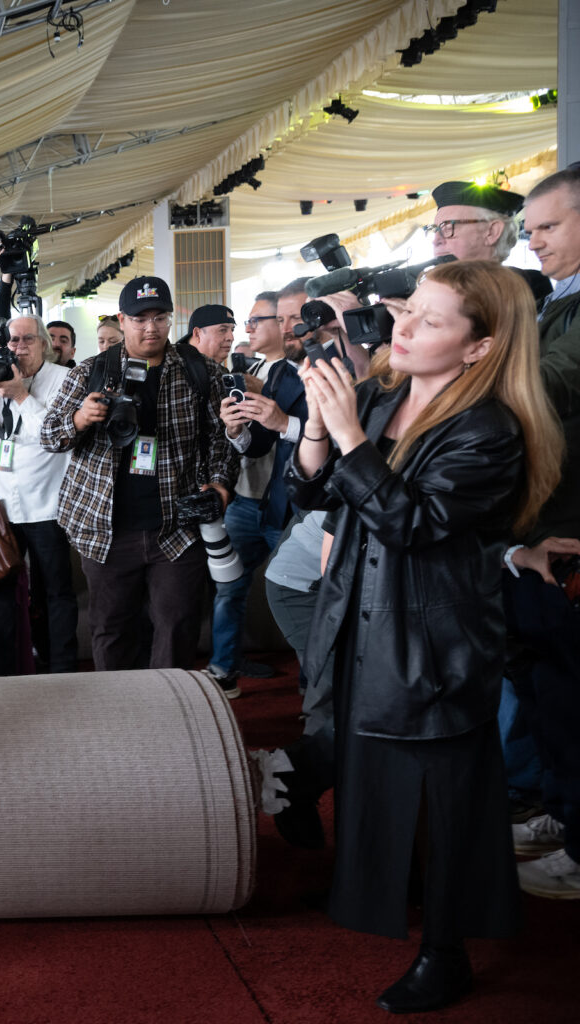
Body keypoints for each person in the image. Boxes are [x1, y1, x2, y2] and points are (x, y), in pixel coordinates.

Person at [288, 260, 562, 1013]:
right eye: (408, 310)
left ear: (480, 347)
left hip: (433, 639)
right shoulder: (383, 397)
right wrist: (318, 425)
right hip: (360, 613)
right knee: (370, 773)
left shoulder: (489, 429)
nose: (402, 327)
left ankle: (447, 950)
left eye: (430, 320)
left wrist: (349, 436)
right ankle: (393, 895)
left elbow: (410, 524)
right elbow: (309, 492)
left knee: (446, 801)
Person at [40, 276, 236, 672]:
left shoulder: (200, 372)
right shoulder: (91, 372)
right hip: (105, 529)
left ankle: (170, 705)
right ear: (122, 320)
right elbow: (48, 437)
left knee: (178, 629)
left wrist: (219, 485)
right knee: (111, 631)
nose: (151, 328)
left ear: (171, 319)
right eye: (139, 319)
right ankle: (119, 707)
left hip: (177, 527)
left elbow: (221, 439)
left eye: (160, 318)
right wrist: (80, 419)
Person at [500, 164, 580, 898]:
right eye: (531, 229)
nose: (535, 241)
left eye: (549, 226)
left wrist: (471, 361)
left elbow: (549, 383)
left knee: (568, 694)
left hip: (568, 529)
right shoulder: (558, 301)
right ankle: (561, 811)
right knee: (546, 691)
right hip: (541, 529)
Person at [207, 294, 308, 696]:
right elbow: (255, 443)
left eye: (256, 320)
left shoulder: (302, 371)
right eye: (245, 323)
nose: (246, 329)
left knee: (300, 593)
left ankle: (313, 687)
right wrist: (234, 429)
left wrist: (268, 401)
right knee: (228, 586)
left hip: (290, 505)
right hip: (246, 499)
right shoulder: (252, 369)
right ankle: (224, 668)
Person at [0, 316, 76, 675]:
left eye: (27, 339)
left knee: (56, 594)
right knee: (1, 594)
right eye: (13, 341)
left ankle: (61, 669)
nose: (18, 347)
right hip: (5, 508)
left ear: (44, 344)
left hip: (47, 506)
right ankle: (4, 672)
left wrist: (19, 394)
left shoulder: (63, 380)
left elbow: (53, 435)